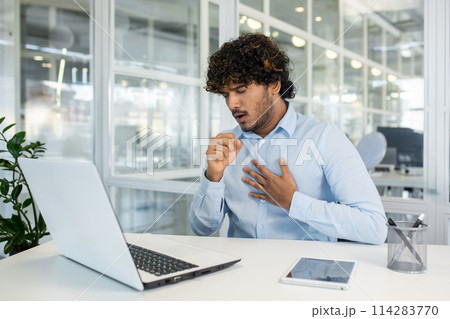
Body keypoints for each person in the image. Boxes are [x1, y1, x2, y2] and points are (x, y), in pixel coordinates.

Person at [189, 33, 387, 244]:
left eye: (241, 90)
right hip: (243, 272)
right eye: (225, 94)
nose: (232, 104)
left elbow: (374, 227)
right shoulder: (227, 147)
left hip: (308, 272)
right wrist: (213, 176)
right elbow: (202, 229)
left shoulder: (324, 138)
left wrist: (293, 201)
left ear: (274, 85)